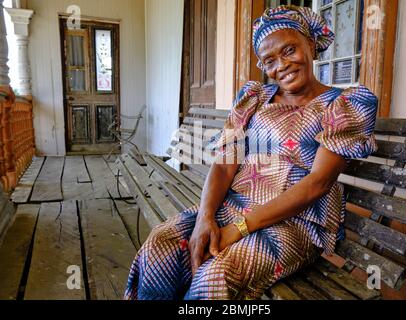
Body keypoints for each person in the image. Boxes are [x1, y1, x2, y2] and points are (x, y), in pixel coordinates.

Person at [124, 5, 378, 300]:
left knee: (217, 273)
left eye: (289, 50)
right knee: (161, 245)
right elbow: (224, 164)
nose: (281, 65)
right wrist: (206, 217)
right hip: (232, 206)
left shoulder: (344, 105)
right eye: (269, 60)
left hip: (295, 222)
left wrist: (239, 229)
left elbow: (317, 183)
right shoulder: (254, 99)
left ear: (310, 44)